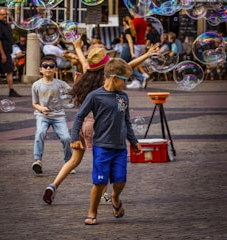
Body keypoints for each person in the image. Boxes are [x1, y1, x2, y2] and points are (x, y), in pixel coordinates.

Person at [43, 39, 159, 205]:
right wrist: (147, 54)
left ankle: (53, 185)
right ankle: (103, 195)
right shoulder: (108, 77)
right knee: (103, 159)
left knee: (74, 160)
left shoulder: (87, 72)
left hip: (83, 124)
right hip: (99, 125)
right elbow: (129, 66)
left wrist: (77, 48)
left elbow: (83, 61)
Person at [71, 57, 142, 225]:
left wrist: (133, 141)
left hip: (120, 147)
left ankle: (115, 198)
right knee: (99, 181)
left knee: (120, 180)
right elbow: (79, 116)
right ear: (115, 78)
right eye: (125, 80)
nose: (126, 84)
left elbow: (127, 121)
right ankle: (92, 212)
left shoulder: (123, 97)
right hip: (102, 146)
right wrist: (74, 138)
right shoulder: (95, 96)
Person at [31, 55, 74, 174]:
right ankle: (37, 160)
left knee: (66, 138)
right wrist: (41, 108)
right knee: (40, 133)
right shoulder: (36, 85)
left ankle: (68, 162)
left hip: (58, 116)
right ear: (40, 69)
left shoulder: (60, 84)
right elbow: (34, 103)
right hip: (42, 115)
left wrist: (77, 80)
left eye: (51, 66)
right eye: (45, 66)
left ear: (55, 69)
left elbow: (73, 93)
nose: (48, 68)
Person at [0, 7, 21, 97]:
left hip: (6, 52)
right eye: (2, 14)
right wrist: (2, 54)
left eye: (6, 14)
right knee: (9, 71)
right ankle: (11, 90)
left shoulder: (5, 24)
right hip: (3, 52)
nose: (5, 16)